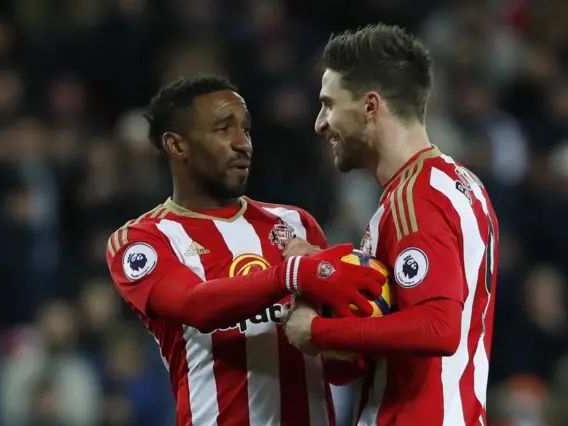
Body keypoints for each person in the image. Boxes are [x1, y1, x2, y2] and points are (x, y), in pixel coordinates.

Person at [105, 75, 386, 426]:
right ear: (177, 146)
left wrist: (357, 334)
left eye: (247, 130)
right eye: (224, 129)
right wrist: (295, 274)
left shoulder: (295, 223)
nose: (243, 144)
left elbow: (340, 368)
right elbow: (194, 305)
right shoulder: (143, 239)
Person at [282, 24, 500, 426]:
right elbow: (381, 337)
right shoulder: (458, 183)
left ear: (370, 106)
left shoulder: (415, 200)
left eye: (329, 104)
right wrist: (329, 278)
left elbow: (438, 327)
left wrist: (318, 331)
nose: (320, 123)